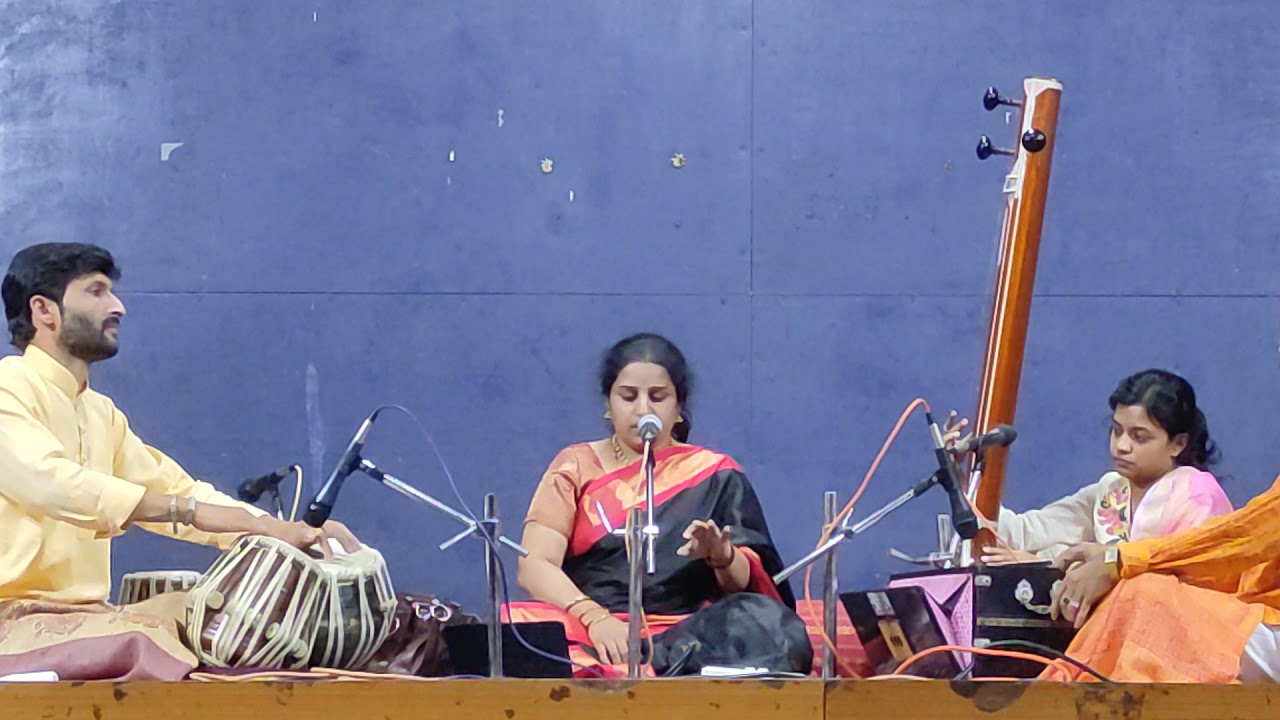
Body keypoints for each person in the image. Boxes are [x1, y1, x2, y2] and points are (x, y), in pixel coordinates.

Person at [0, 243, 358, 681]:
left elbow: (178, 491)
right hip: (12, 622)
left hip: (80, 621)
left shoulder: (99, 412)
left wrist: (288, 535)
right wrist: (194, 511)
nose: (118, 307)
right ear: (44, 311)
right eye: (96, 292)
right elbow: (54, 483)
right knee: (151, 636)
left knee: (223, 620)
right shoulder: (8, 390)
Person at [510, 332, 798, 676]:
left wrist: (724, 558)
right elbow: (535, 565)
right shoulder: (575, 464)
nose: (642, 410)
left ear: (678, 408)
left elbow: (750, 585)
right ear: (608, 404)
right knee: (515, 625)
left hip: (688, 630)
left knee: (772, 628)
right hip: (593, 629)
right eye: (628, 397)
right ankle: (651, 668)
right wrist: (595, 618)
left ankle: (641, 664)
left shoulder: (715, 473)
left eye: (658, 397)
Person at [946, 369, 1232, 565]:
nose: (1121, 445)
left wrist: (1055, 567)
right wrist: (960, 480)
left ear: (1177, 444)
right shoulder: (1111, 490)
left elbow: (1178, 583)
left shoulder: (1197, 496)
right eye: (1117, 430)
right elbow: (1022, 533)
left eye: (1139, 437)